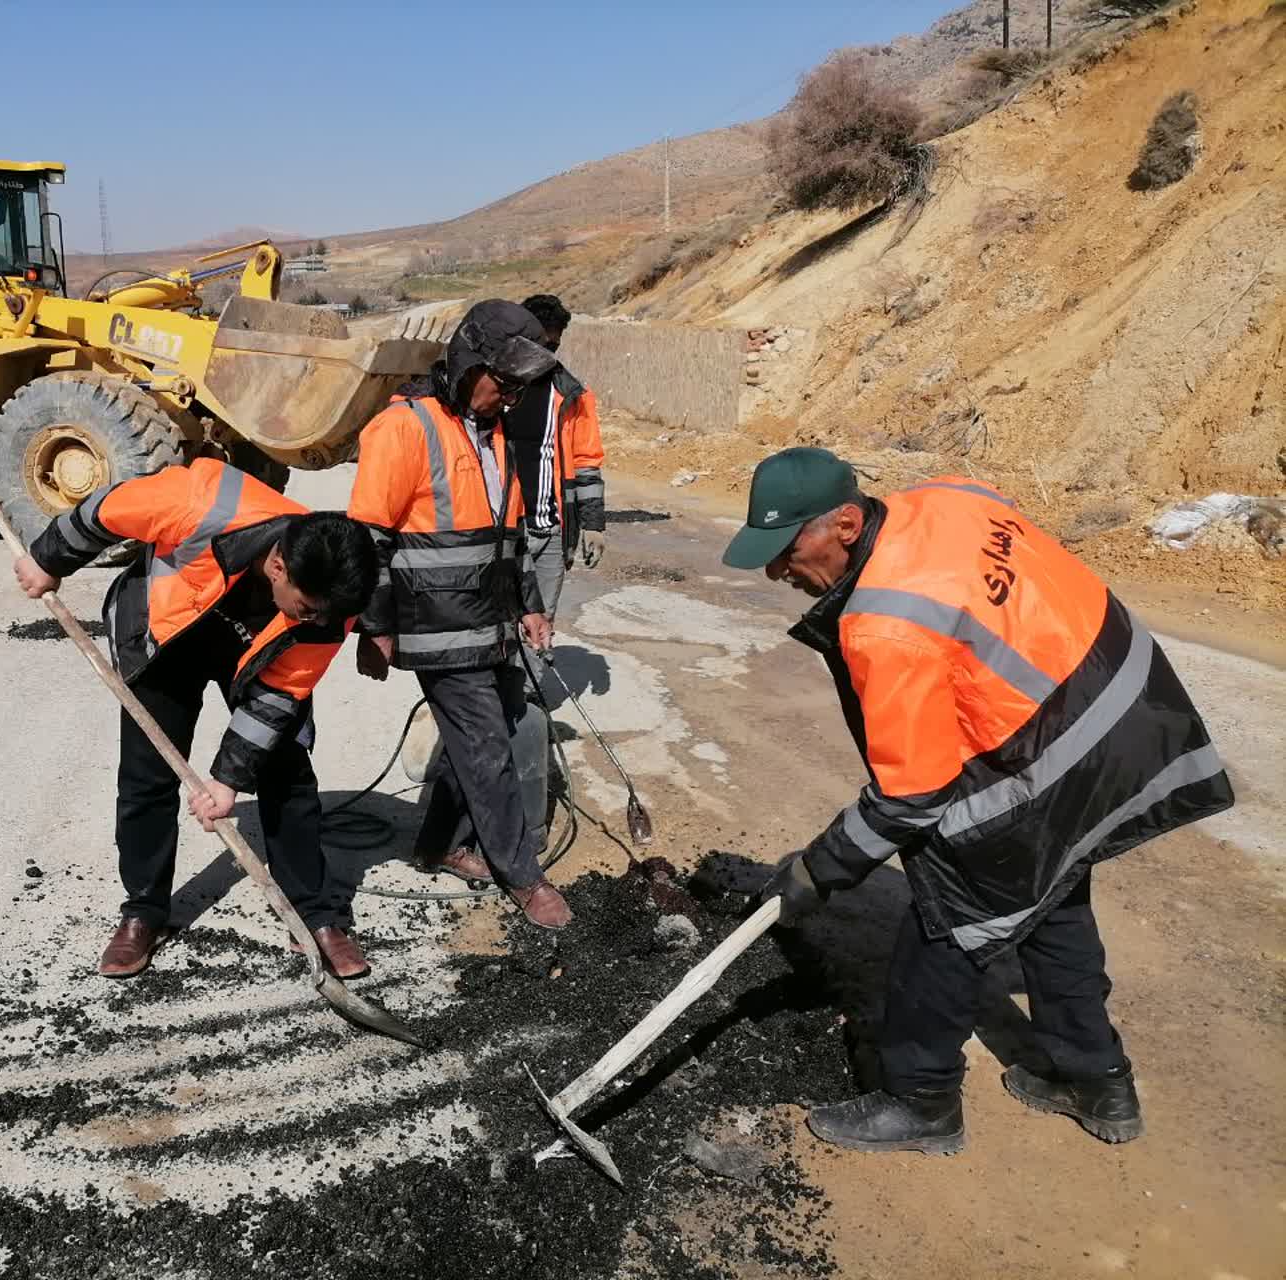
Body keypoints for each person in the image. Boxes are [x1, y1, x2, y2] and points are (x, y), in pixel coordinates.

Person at [727, 447, 1234, 1154]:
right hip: (1130, 701)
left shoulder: (883, 623)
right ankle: (1095, 1079)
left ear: (845, 523)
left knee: (948, 918)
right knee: (1051, 894)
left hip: (1062, 746)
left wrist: (817, 873)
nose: (776, 571)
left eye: (786, 550)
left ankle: (920, 1101)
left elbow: (909, 796)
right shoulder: (948, 497)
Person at [13, 459, 380, 979]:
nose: (319, 623)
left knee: (288, 774)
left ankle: (314, 915)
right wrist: (49, 559)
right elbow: (103, 510)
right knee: (146, 776)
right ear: (279, 568)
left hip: (256, 658)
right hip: (168, 639)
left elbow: (277, 698)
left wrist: (228, 780)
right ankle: (143, 912)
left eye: (326, 616)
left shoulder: (328, 604)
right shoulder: (198, 503)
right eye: (307, 610)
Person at [347, 300, 573, 929]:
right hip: (436, 628)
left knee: (478, 735)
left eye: (520, 389)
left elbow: (509, 535)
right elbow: (367, 540)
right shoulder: (404, 429)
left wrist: (528, 604)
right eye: (503, 384)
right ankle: (523, 876)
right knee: (488, 747)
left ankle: (437, 844)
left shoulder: (493, 435)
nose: (510, 399)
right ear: (470, 361)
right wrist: (375, 627)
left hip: (492, 623)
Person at [506, 293, 607, 621]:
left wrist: (593, 526)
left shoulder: (572, 394)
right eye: (540, 344)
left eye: (553, 346)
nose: (546, 354)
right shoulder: (493, 391)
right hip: (504, 532)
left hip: (549, 532)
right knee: (499, 629)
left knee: (541, 628)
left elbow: (587, 462)